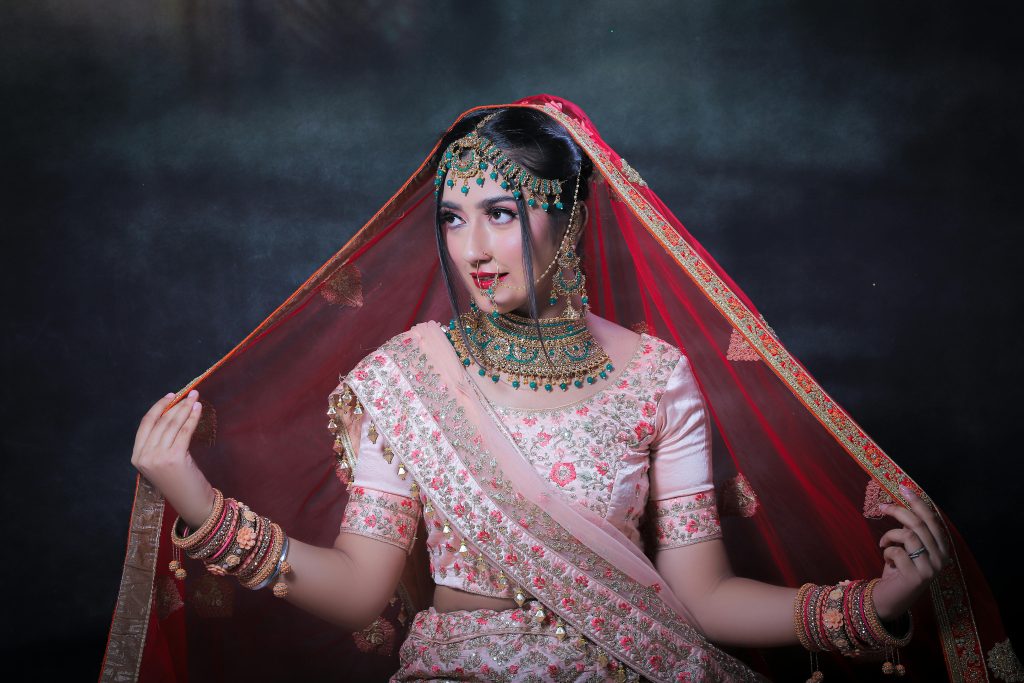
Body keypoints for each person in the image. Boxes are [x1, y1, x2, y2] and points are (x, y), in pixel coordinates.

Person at [101, 96, 1015, 682]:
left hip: (635, 664)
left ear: (569, 218)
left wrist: (870, 603)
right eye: (455, 218)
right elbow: (356, 588)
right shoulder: (405, 376)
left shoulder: (656, 375)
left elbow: (703, 597)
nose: (473, 249)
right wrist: (203, 503)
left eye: (502, 212)